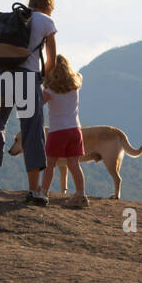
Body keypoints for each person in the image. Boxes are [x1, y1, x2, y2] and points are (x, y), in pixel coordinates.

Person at [0, 0, 57, 205]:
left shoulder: (16, 16)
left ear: (31, 1)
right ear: (49, 4)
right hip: (27, 78)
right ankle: (34, 190)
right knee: (31, 131)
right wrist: (43, 78)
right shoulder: (46, 21)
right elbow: (52, 59)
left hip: (1, 77)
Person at [40, 55, 88, 208]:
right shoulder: (75, 85)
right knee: (74, 164)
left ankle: (42, 193)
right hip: (75, 130)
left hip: (58, 131)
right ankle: (81, 195)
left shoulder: (50, 91)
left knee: (50, 165)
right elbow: (79, 76)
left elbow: (37, 103)